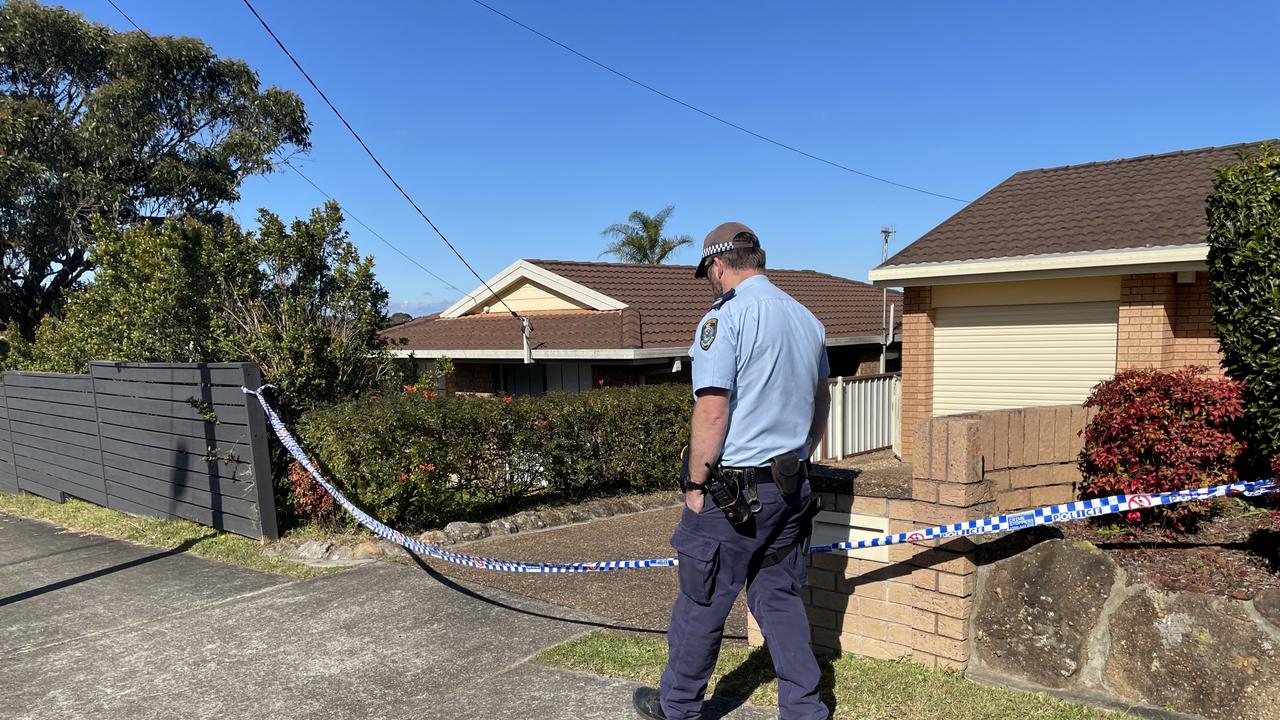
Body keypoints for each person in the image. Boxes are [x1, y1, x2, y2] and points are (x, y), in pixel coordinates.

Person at [633, 222, 831, 720]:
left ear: (718, 265)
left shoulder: (724, 320)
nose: (711, 283)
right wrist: (804, 449)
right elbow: (821, 398)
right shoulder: (807, 319)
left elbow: (712, 409)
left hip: (734, 498)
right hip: (791, 489)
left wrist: (696, 485)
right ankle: (805, 710)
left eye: (709, 274)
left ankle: (677, 708)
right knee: (779, 600)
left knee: (701, 605)